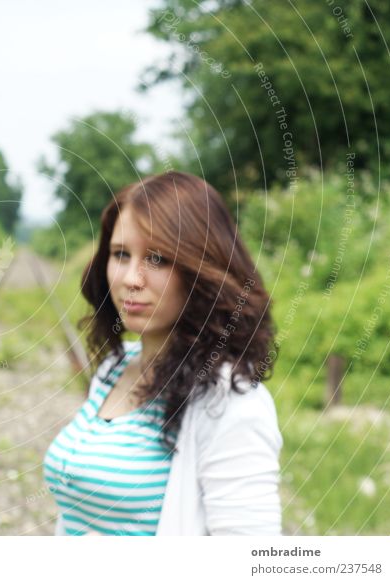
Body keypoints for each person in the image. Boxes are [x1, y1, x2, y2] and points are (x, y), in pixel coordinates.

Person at [43, 171, 283, 535]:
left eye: (157, 259)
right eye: (121, 254)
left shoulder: (230, 402)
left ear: (201, 269)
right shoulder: (114, 368)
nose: (132, 279)